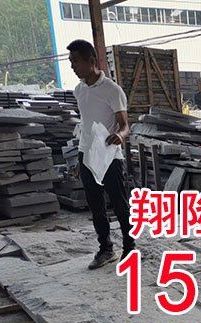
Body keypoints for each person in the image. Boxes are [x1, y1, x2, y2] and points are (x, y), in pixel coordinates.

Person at [68, 39, 135, 269]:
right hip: (87, 154)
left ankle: (129, 247)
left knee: (119, 204)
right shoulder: (79, 90)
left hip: (109, 155)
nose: (73, 66)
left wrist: (120, 136)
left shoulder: (112, 90)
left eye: (76, 61)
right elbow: (86, 125)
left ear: (91, 61)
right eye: (70, 62)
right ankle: (106, 249)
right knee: (95, 206)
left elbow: (125, 125)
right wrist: (80, 158)